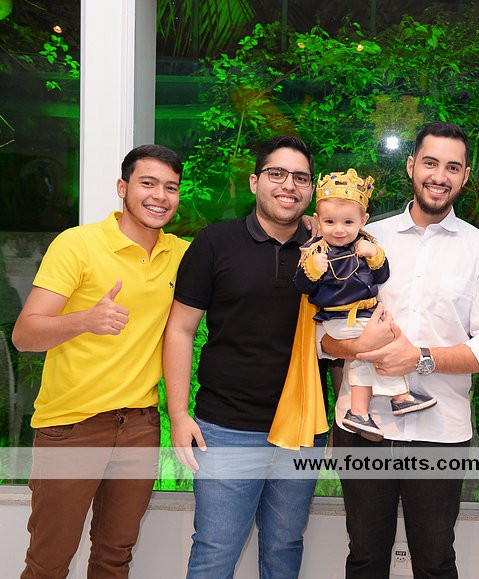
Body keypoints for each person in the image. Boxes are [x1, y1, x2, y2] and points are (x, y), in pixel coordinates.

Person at [323, 122, 479, 577]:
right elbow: (323, 335)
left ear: (465, 176)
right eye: (430, 163)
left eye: (452, 167)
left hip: (440, 432)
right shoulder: (367, 238)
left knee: (435, 561)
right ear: (411, 166)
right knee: (365, 557)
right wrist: (358, 347)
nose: (439, 176)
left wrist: (420, 358)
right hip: (362, 428)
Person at [12, 145, 188, 578]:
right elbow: (24, 334)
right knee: (48, 563)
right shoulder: (78, 244)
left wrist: (312, 227)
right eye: (148, 183)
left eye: (170, 187)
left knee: (115, 557)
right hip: (72, 425)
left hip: (139, 426)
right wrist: (85, 320)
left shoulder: (181, 254)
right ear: (122, 188)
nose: (160, 196)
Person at [163, 136, 328, 578]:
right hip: (226, 429)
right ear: (255, 182)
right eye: (277, 174)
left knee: (285, 545)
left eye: (301, 178)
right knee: (216, 550)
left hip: (302, 429)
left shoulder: (326, 249)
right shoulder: (214, 243)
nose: (288, 185)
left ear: (311, 190)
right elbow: (180, 330)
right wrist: (177, 413)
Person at [294, 168, 436, 442]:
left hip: (364, 313)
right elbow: (302, 286)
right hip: (339, 318)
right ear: (318, 220)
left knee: (364, 358)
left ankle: (359, 411)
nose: (339, 230)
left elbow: (381, 276)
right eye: (330, 222)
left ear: (363, 221)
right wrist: (312, 269)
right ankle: (400, 396)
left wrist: (375, 256)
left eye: (348, 222)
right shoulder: (316, 250)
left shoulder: (365, 243)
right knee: (382, 344)